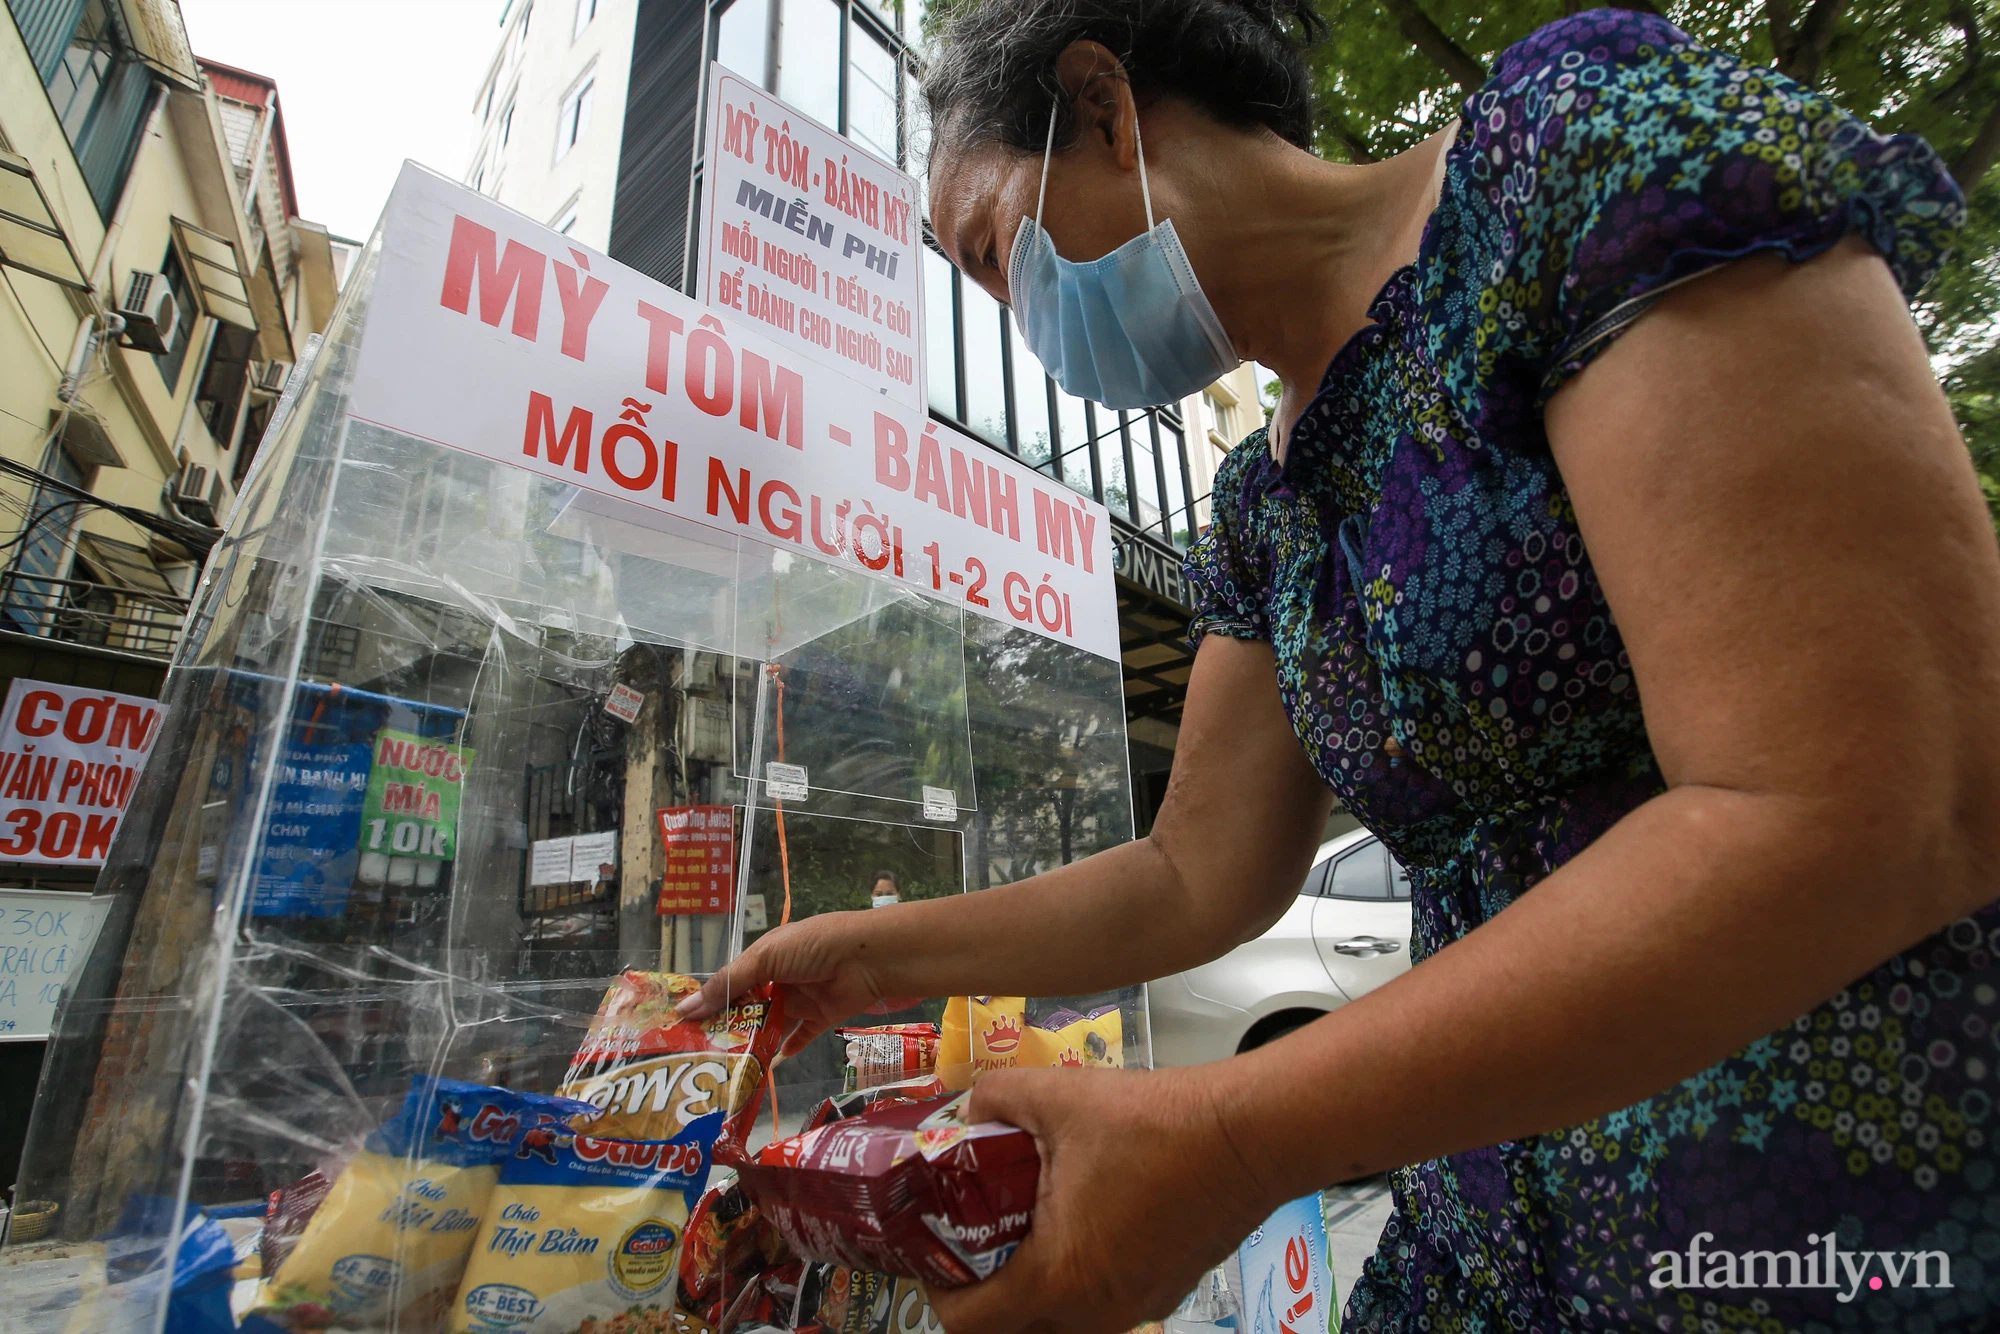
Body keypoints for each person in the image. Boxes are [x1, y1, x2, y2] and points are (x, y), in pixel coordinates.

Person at [682, 4, 2000, 1329]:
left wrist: (1236, 1138)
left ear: (1104, 108)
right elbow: (1192, 871)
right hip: (1490, 1236)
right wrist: (877, 954)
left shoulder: (1564, 152)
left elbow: (1875, 802)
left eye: (996, 254)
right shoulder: (1269, 503)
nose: (1021, 321)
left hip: (1822, 1233)